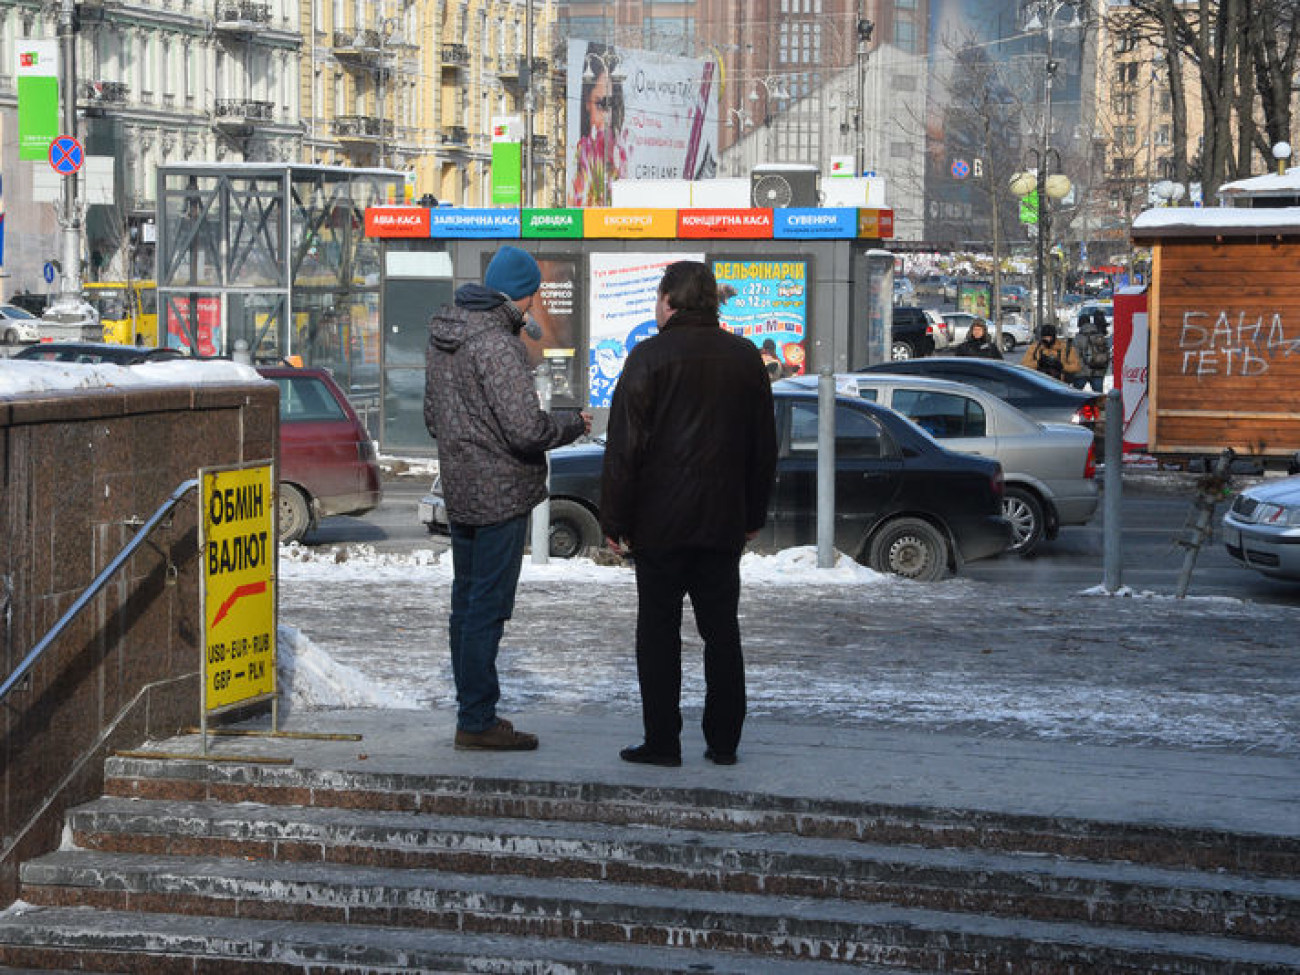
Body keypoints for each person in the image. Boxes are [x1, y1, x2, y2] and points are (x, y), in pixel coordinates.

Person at [600, 261, 778, 768]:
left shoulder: (648, 358)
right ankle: (724, 742)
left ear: (669, 301)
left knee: (658, 633)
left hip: (659, 525)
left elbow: (625, 448)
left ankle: (663, 740)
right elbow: (763, 445)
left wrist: (615, 520)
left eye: (658, 299)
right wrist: (752, 512)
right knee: (721, 632)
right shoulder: (745, 357)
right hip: (722, 521)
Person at [424, 245, 591, 752]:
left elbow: (434, 419)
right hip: (499, 492)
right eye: (534, 296)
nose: (536, 306)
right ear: (521, 295)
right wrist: (570, 426)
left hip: (462, 486)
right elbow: (524, 429)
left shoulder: (445, 336)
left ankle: (470, 709)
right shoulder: (497, 344)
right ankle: (477, 719)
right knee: (487, 608)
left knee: (465, 602)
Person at [568, 42, 628, 207]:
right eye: (602, 105)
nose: (608, 118)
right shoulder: (579, 163)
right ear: (587, 102)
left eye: (613, 105)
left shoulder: (620, 159)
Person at [1071, 310, 1110, 392]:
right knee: (1099, 398)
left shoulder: (1078, 338)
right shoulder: (1100, 336)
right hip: (1098, 371)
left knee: (1075, 396)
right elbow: (1106, 354)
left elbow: (1075, 356)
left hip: (1081, 373)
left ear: (1079, 324)